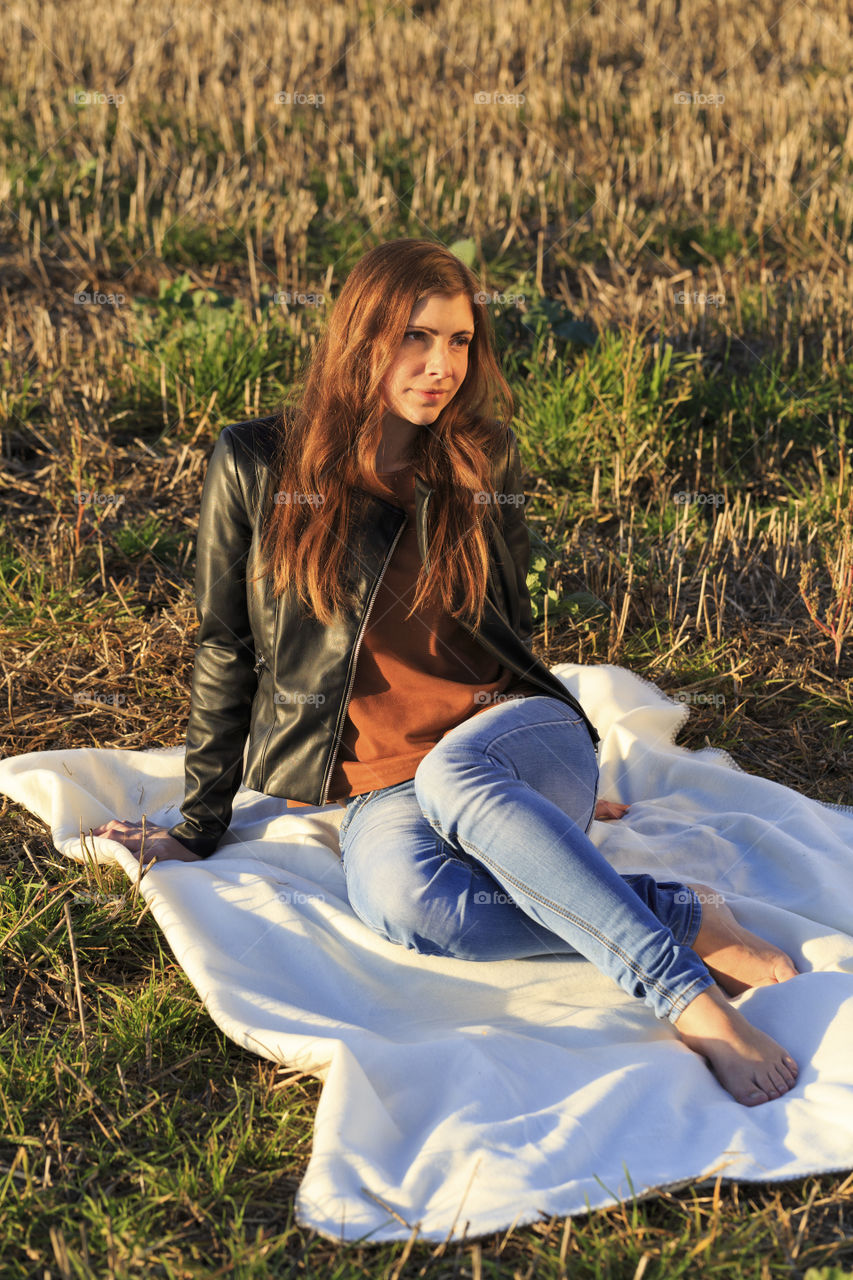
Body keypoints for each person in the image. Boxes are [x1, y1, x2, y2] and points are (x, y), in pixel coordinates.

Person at [94, 238, 800, 1107]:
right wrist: (199, 823)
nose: (442, 367)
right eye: (416, 338)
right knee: (408, 908)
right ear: (360, 337)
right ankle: (679, 912)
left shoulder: (478, 459)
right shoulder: (254, 462)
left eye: (460, 341)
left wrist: (561, 786)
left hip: (512, 737)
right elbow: (224, 645)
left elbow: (512, 631)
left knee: (457, 774)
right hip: (382, 782)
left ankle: (686, 998)